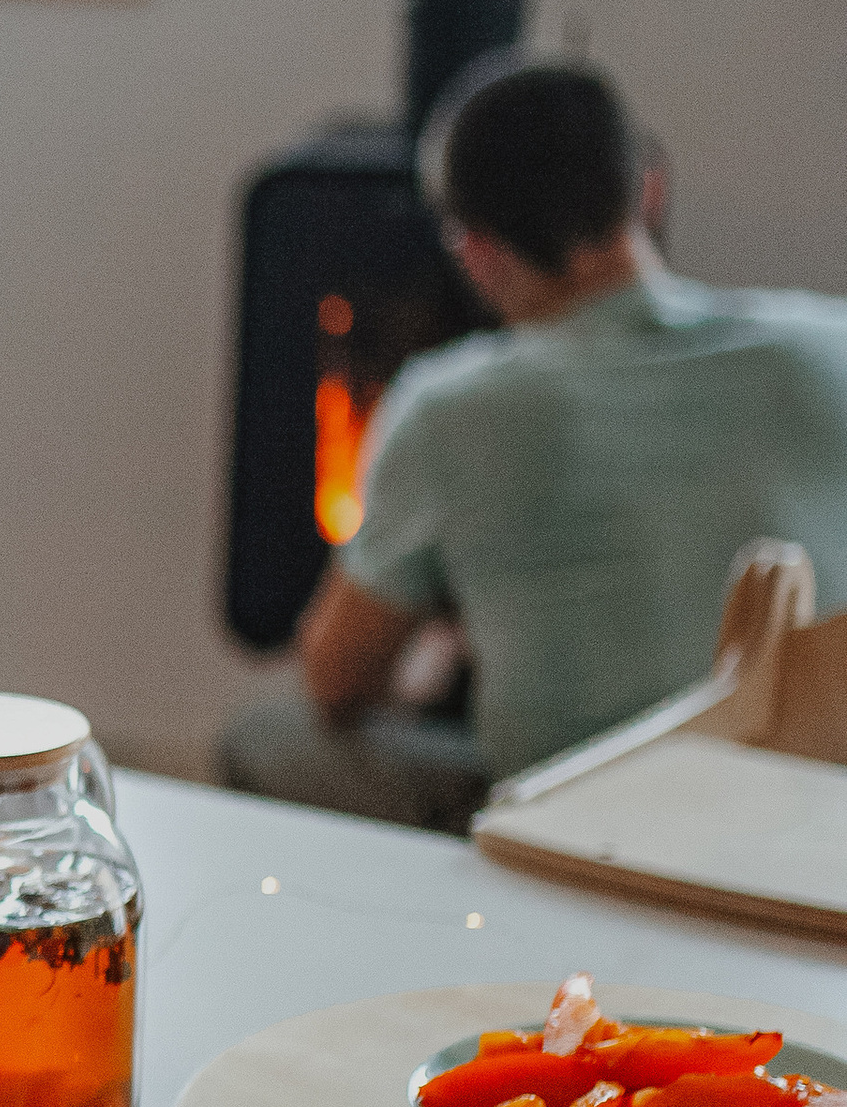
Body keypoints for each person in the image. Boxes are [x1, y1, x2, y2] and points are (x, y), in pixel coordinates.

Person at [221, 54, 847, 828]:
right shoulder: (829, 350)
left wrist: (440, 649)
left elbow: (337, 683)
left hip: (567, 825)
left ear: (475, 250)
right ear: (648, 189)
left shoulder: (447, 407)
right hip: (800, 817)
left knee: (268, 740)